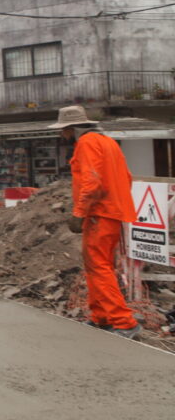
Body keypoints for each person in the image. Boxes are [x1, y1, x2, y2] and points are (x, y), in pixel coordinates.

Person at [50, 105, 141, 339]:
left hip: (99, 213)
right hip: (112, 211)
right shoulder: (108, 142)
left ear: (71, 128)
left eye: (63, 129)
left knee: (98, 266)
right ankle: (101, 316)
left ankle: (123, 321)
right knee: (98, 265)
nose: (62, 134)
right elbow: (126, 177)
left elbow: (92, 182)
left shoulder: (86, 143)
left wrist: (80, 213)